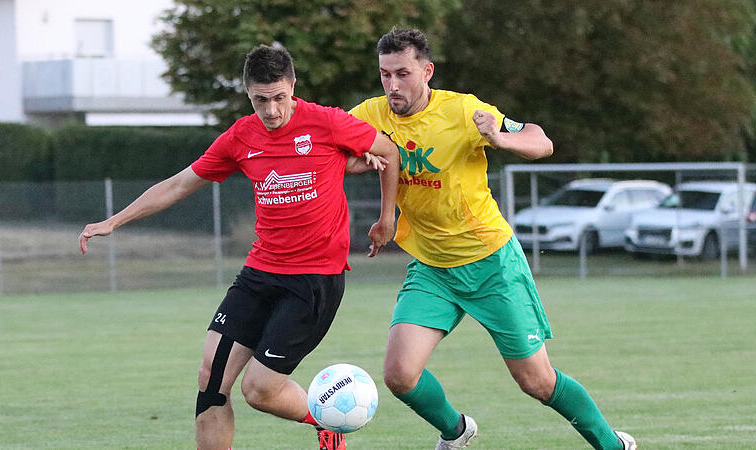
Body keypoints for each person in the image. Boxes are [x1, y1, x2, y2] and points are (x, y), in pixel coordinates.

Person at [79, 44, 399, 450]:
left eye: (279, 98)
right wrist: (114, 221)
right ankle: (322, 425)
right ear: (248, 94)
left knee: (259, 390)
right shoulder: (240, 136)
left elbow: (389, 150)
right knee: (211, 379)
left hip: (313, 282)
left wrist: (386, 220)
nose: (271, 110)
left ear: (293, 88)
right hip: (259, 274)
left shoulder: (327, 123)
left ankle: (326, 423)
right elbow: (179, 184)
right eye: (260, 100)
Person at [349, 28, 637, 450]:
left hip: (491, 264)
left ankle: (613, 445)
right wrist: (354, 162)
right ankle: (456, 430)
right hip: (432, 269)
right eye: (385, 74)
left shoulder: (464, 111)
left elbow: (542, 142)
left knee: (537, 382)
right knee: (399, 375)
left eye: (403, 74)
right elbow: (326, 145)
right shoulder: (371, 114)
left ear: (427, 71)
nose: (393, 85)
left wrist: (501, 138)